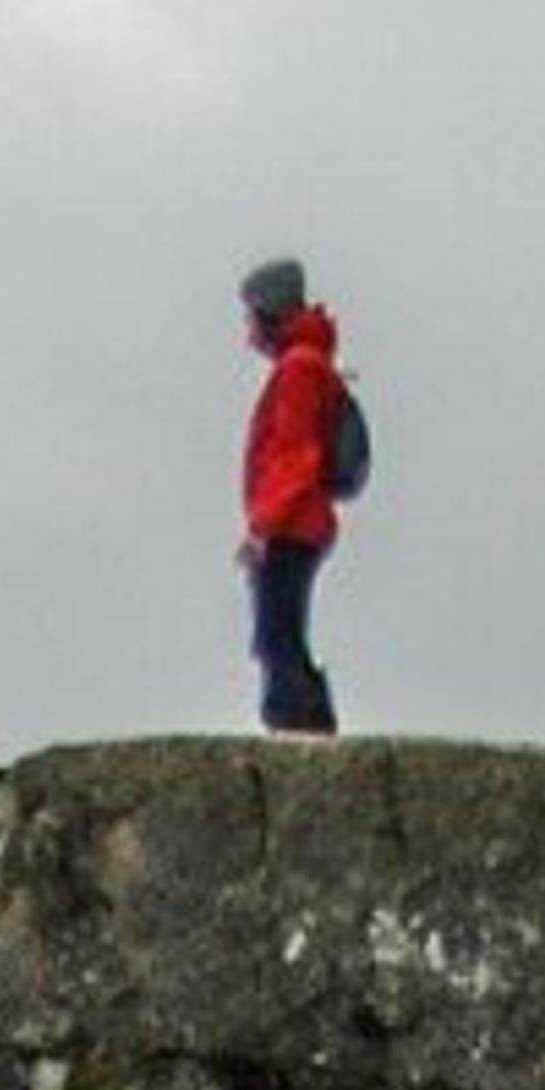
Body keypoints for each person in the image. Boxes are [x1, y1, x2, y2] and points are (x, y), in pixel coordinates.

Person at [237, 257, 345, 735]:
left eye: (250, 316)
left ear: (269, 312)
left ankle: (299, 729)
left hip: (293, 524)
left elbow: (294, 456)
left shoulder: (299, 369)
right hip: (301, 521)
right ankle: (308, 726)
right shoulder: (307, 363)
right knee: (282, 632)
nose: (247, 331)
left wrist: (262, 528)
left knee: (275, 634)